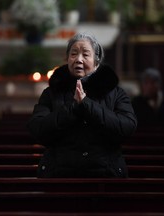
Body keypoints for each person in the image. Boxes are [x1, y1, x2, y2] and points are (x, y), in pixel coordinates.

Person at [27, 33, 137, 178]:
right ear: (67, 59)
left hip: (105, 174)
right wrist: (73, 109)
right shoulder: (52, 92)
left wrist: (87, 104)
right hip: (59, 175)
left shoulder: (115, 93)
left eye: (85, 54)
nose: (78, 59)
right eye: (73, 54)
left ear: (96, 62)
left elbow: (127, 127)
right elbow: (37, 128)